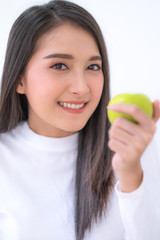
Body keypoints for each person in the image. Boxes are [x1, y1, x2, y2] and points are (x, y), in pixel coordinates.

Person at [0, 1, 159, 239]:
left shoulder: (133, 149)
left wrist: (130, 176)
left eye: (93, 67)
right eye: (60, 65)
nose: (82, 88)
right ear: (19, 79)